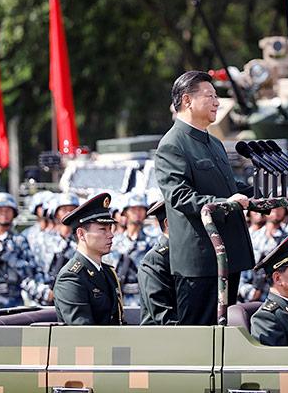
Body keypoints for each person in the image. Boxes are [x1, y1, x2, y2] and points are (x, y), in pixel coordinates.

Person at [154, 70, 254, 325]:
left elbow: (228, 186)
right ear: (187, 101)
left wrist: (258, 191)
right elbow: (179, 196)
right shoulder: (173, 144)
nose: (217, 102)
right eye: (210, 96)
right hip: (200, 261)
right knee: (200, 338)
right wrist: (225, 204)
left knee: (224, 334)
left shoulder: (214, 142)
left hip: (226, 255)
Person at [54, 192, 124, 325]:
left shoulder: (107, 272)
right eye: (103, 229)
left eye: (110, 228)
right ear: (81, 234)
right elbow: (83, 332)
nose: (111, 235)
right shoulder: (72, 277)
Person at [105, 192, 157, 307]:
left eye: (141, 209)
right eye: (134, 209)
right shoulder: (114, 242)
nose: (138, 213)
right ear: (125, 212)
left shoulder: (153, 242)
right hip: (118, 299)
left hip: (145, 299)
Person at [31, 193, 81, 306]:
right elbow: (28, 274)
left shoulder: (83, 242)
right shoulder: (40, 240)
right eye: (64, 210)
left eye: (73, 209)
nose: (69, 213)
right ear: (55, 212)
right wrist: (43, 292)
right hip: (42, 302)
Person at [138, 200, 177, 325]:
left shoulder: (182, 254)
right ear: (168, 223)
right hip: (162, 339)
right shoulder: (156, 260)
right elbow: (163, 316)